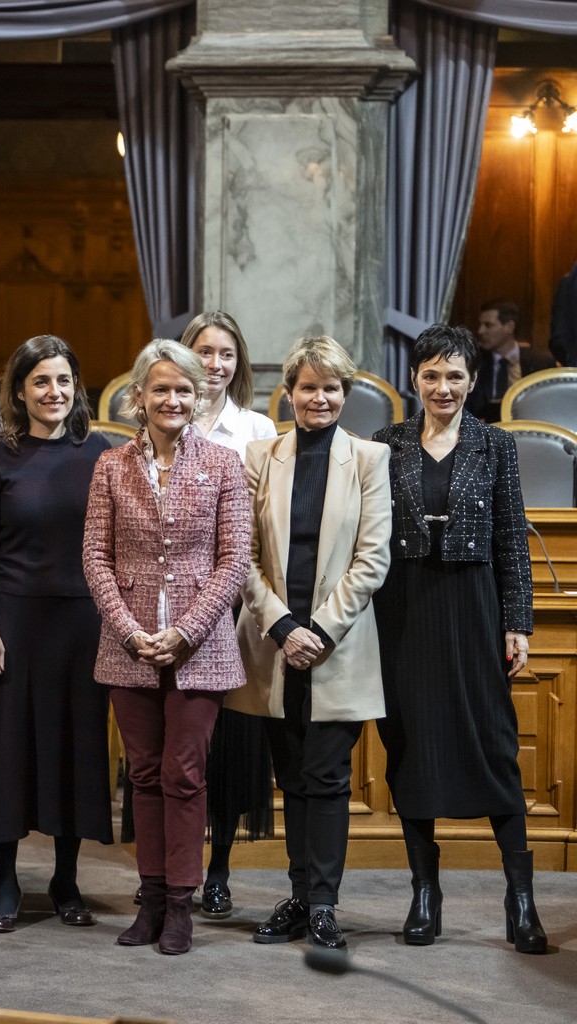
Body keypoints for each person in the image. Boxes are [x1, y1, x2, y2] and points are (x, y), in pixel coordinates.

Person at [372, 323, 547, 955]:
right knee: (409, 743)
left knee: (493, 744)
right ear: (413, 380)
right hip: (404, 608)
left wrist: (518, 621)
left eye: (454, 376)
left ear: (473, 381)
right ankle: (424, 892)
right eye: (431, 375)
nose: (442, 387)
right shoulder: (383, 442)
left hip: (473, 606)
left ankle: (519, 899)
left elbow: (511, 540)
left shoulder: (495, 444)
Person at [82, 338, 251, 956]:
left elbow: (234, 562)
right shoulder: (111, 466)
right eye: (161, 389)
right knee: (144, 775)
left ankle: (180, 904)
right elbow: (95, 558)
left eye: (184, 389)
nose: (173, 399)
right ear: (140, 398)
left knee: (184, 774)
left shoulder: (224, 464)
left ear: (198, 394)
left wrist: (186, 630)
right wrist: (130, 630)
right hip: (126, 647)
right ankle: (149, 899)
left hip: (199, 650)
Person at [228, 336, 391, 950]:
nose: (318, 398)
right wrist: (283, 626)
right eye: (307, 387)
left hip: (337, 645)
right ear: (289, 393)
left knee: (326, 777)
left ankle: (323, 904)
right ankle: (298, 898)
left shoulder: (370, 460)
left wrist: (318, 630)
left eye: (331, 388)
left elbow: (372, 561)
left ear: (346, 395)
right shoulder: (258, 455)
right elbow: (239, 556)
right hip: (273, 643)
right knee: (290, 775)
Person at [0, 335, 113, 933]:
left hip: (83, 621)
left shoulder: (99, 451)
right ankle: (5, 882)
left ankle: (66, 880)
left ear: (77, 388)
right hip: (14, 619)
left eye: (64, 381)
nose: (54, 392)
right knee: (8, 749)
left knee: (74, 749)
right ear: (20, 391)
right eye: (41, 382)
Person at [179, 310, 277, 918]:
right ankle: (171, 868)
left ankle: (218, 867)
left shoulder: (256, 426)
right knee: (177, 746)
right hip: (169, 604)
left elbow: (262, 524)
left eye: (227, 355)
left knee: (230, 746)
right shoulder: (164, 411)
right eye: (205, 352)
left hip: (237, 606)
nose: (215, 365)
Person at [467, 300, 556, 422]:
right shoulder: (474, 363)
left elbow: (548, 407)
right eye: (480, 324)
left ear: (509, 327)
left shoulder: (541, 363)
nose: (480, 331)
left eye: (488, 325)